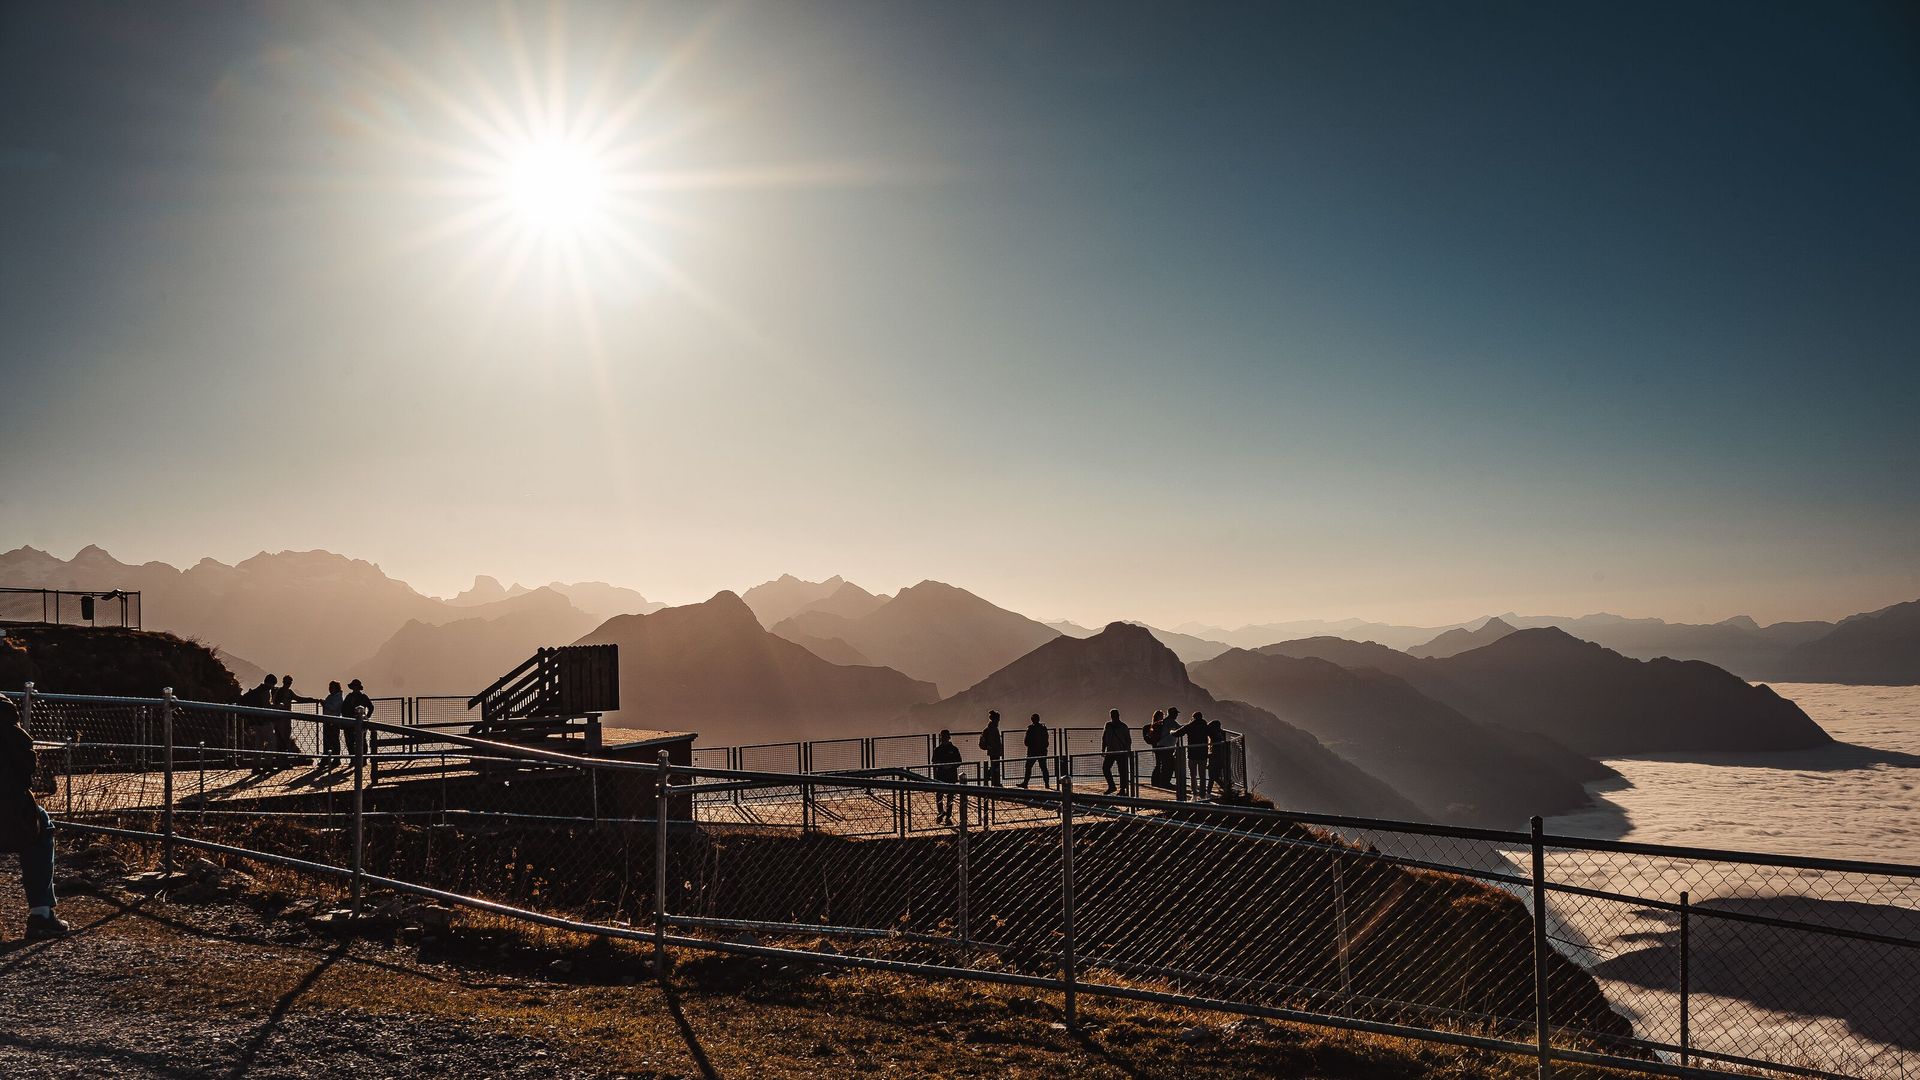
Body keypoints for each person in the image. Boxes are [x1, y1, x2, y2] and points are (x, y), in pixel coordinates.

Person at [1, 696, 66, 940]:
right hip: (7, 807)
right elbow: (26, 767)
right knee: (41, 828)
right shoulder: (6, 719)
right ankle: (41, 913)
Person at [931, 729, 963, 824]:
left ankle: (947, 817)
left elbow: (959, 761)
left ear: (948, 737)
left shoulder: (954, 749)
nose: (944, 739)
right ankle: (941, 813)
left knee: (949, 797)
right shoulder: (937, 750)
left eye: (945, 737)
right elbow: (934, 762)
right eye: (943, 737)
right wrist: (942, 766)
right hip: (941, 776)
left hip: (950, 777)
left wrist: (950, 766)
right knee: (939, 796)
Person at [341, 679, 375, 760]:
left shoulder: (362, 697)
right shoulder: (350, 697)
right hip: (350, 723)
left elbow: (371, 707)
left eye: (355, 686)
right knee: (350, 741)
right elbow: (343, 709)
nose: (355, 688)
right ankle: (353, 759)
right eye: (354, 686)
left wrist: (366, 717)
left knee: (361, 740)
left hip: (358, 723)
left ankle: (363, 758)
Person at [1101, 709, 1133, 794]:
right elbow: (1128, 740)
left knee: (1119, 770)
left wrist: (1103, 749)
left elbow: (1104, 738)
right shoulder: (1122, 726)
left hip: (1117, 751)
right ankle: (1116, 787)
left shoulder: (1110, 726)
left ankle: (1117, 788)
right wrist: (1103, 749)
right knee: (1117, 770)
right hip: (1115, 751)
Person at [1185, 709, 1212, 797]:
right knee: (1202, 774)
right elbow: (1212, 733)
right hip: (1203, 754)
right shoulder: (1205, 726)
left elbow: (1178, 733)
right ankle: (1202, 793)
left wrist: (1171, 732)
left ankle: (1194, 791)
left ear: (1193, 717)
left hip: (1192, 754)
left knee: (1193, 774)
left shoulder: (1190, 726)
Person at [319, 680, 346, 766]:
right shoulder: (331, 696)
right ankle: (328, 758)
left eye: (331, 687)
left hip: (334, 722)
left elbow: (333, 708)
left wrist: (324, 704)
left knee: (334, 741)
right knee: (327, 741)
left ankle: (336, 759)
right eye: (329, 687)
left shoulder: (337, 697)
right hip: (328, 721)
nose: (330, 689)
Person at [1161, 707, 1188, 796]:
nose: (1176, 715)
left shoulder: (1165, 721)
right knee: (1168, 764)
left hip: (1163, 745)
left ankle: (1164, 781)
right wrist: (1191, 725)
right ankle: (1165, 782)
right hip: (1167, 746)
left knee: (1166, 764)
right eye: (1176, 713)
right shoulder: (1171, 721)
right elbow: (1180, 729)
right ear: (1172, 714)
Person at [1019, 713, 1051, 788]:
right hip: (1042, 751)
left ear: (1032, 720)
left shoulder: (1030, 729)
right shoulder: (1043, 728)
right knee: (1043, 767)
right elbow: (1046, 741)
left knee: (1028, 767)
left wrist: (1032, 745)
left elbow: (1026, 742)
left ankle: (1025, 783)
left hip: (1032, 752)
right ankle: (1047, 784)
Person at [1208, 718, 1235, 799]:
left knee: (1213, 776)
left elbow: (1216, 751)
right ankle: (1225, 789)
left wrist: (1209, 756)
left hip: (1216, 759)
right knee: (1213, 777)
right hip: (1221, 759)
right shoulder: (1221, 734)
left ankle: (1226, 789)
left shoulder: (1216, 737)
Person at [977, 711, 1004, 787]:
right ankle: (993, 781)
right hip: (994, 751)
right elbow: (993, 741)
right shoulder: (993, 728)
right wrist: (995, 748)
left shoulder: (991, 727)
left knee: (995, 766)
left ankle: (993, 780)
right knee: (995, 767)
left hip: (993, 751)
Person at [1142, 710, 1167, 787]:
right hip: (1162, 746)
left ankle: (1156, 781)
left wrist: (1153, 742)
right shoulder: (1161, 726)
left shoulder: (1150, 727)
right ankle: (1159, 781)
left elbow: (1147, 738)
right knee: (1161, 764)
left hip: (1156, 746)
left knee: (1158, 764)